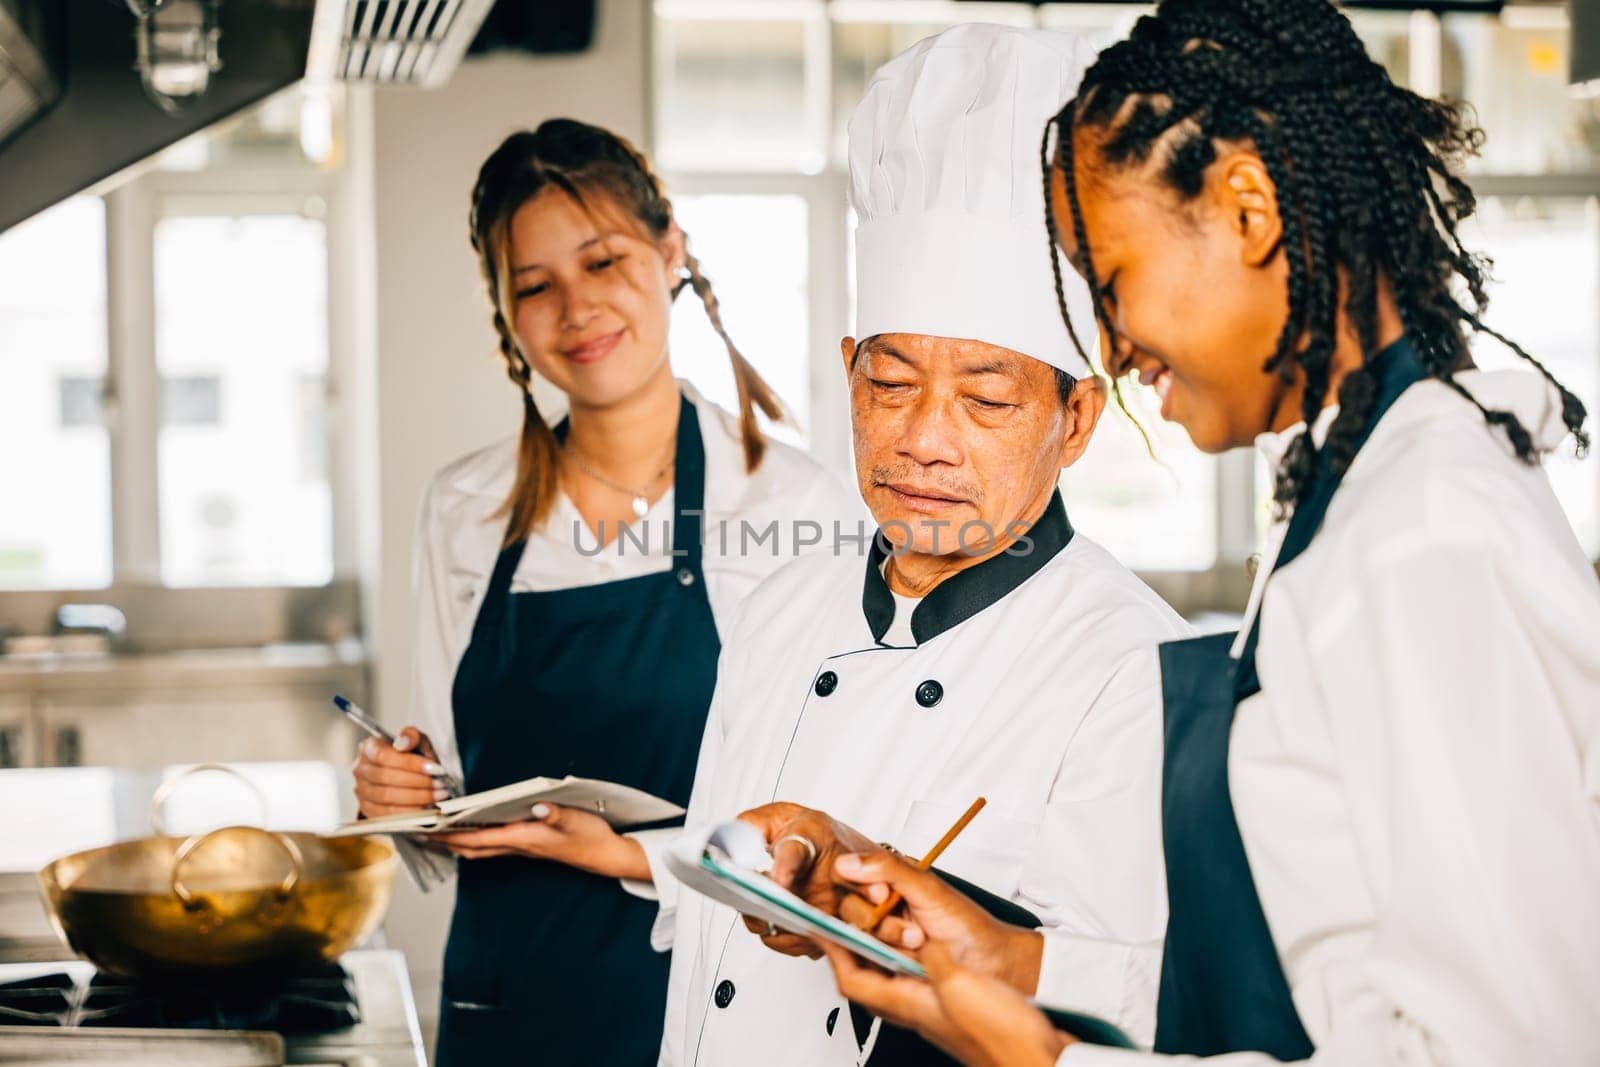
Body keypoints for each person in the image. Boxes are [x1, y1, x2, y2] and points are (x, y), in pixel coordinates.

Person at [815, 2, 1600, 1065]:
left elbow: (1504, 1046)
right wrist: (1017, 961)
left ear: (1246, 210)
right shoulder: (1361, 484)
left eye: (1112, 279)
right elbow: (1320, 982)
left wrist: (1046, 1058)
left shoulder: (1428, 533)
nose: (1111, 338)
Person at [653, 25, 1192, 1066]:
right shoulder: (776, 607)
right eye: (890, 383)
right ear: (847, 368)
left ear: (1076, 418)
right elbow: (698, 948)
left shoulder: (1133, 668)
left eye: (986, 397)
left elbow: (1120, 1010)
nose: (922, 437)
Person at [350, 118, 860, 1065]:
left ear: (672, 252)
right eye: (534, 287)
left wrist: (624, 852)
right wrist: (402, 787)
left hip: (716, 1009)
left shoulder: (797, 506)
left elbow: (833, 821)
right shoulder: (465, 508)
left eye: (601, 262)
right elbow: (444, 792)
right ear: (505, 313)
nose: (575, 309)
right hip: (507, 1008)